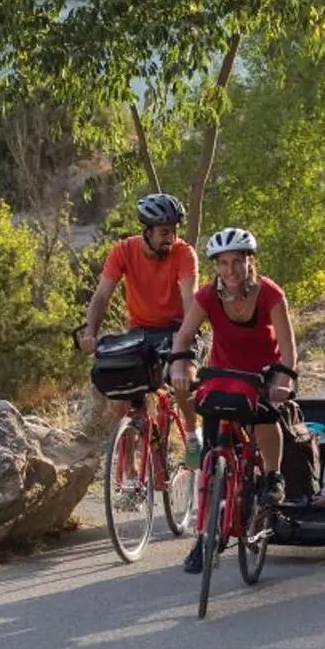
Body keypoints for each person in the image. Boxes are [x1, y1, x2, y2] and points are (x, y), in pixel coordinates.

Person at [170, 227, 299, 574]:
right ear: (216, 266)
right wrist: (180, 365)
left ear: (248, 262)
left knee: (264, 416)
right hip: (224, 375)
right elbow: (184, 336)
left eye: (237, 262)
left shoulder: (270, 294)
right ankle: (205, 536)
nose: (230, 270)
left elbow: (288, 347)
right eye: (224, 263)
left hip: (264, 374)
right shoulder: (207, 297)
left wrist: (283, 380)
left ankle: (272, 477)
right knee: (214, 461)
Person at [79, 192, 202, 464]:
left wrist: (182, 346)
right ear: (146, 232)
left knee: (183, 383)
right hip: (140, 331)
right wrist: (90, 332)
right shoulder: (123, 250)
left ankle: (193, 435)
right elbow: (101, 297)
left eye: (174, 231)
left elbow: (190, 300)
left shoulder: (184, 253)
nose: (171, 237)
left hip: (178, 329)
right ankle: (128, 476)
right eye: (164, 232)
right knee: (121, 395)